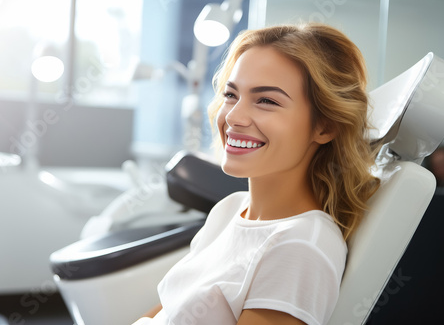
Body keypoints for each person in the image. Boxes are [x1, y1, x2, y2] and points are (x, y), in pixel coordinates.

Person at [133, 22, 380, 325]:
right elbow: (166, 310)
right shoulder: (230, 209)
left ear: (325, 126)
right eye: (231, 94)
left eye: (266, 100)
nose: (234, 116)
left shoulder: (299, 247)